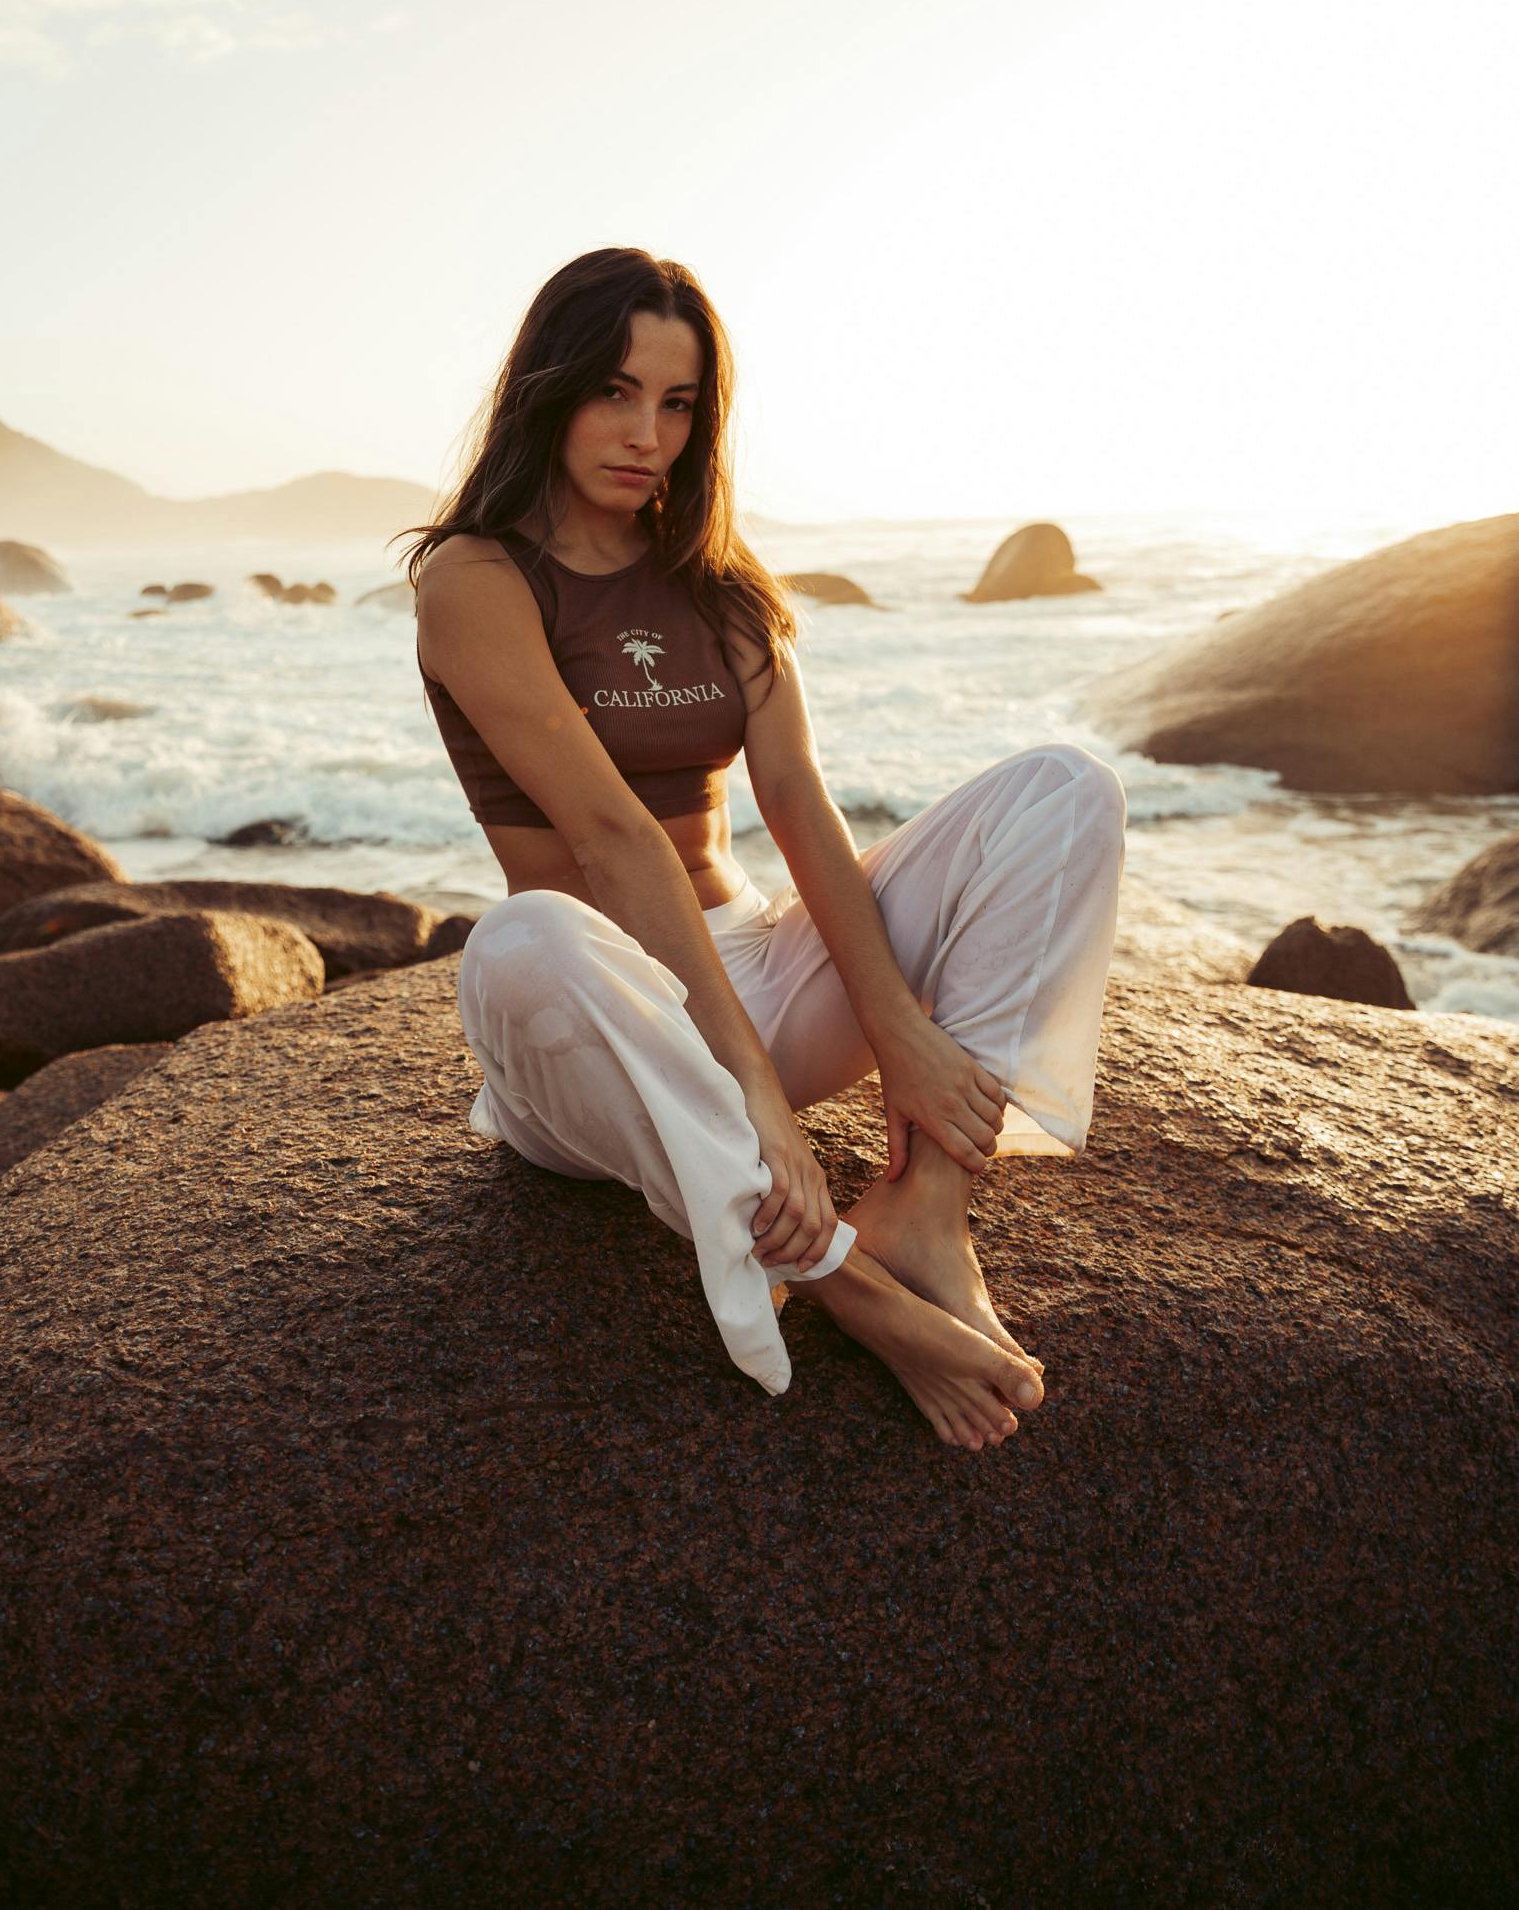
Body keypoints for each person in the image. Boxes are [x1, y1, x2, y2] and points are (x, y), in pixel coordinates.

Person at [402, 247, 1126, 1449]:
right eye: (614, 391)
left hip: (752, 966)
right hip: (592, 1033)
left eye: (676, 403)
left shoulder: (726, 593)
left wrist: (896, 1030)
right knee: (526, 932)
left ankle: (925, 1216)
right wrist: (755, 1097)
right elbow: (609, 834)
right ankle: (845, 1285)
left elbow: (799, 806)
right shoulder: (474, 580)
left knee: (1062, 790)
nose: (646, 433)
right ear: (550, 389)